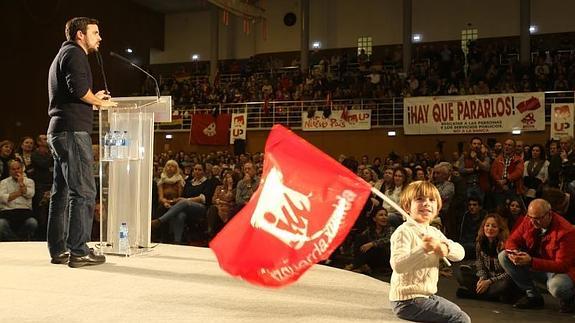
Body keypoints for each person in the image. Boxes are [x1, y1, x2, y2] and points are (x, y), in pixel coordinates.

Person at [46, 17, 117, 268]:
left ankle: (59, 250)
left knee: (62, 193)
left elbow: (74, 92)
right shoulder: (76, 54)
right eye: (95, 32)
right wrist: (101, 102)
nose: (100, 37)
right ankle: (79, 251)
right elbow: (77, 89)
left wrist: (93, 97)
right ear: (80, 35)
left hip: (59, 131)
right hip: (73, 132)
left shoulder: (63, 54)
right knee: (84, 191)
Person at [389, 180, 470, 323]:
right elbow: (398, 265)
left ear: (437, 208)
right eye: (420, 199)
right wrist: (423, 249)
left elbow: (460, 254)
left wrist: (445, 249)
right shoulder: (403, 232)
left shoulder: (433, 232)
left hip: (426, 295)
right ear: (407, 206)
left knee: (457, 311)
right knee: (460, 318)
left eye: (431, 200)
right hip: (407, 300)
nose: (426, 203)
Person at [498, 199, 575, 313]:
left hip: (559, 271)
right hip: (536, 264)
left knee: (557, 287)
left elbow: (563, 265)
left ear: (549, 214)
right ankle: (533, 296)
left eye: (538, 218)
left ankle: (570, 298)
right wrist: (514, 253)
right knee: (504, 256)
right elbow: (511, 240)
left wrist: (531, 261)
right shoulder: (529, 220)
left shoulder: (566, 231)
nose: (533, 222)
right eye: (531, 217)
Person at [455, 214, 515, 302]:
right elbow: (480, 264)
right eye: (487, 225)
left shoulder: (505, 245)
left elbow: (509, 273)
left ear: (500, 229)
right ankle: (493, 296)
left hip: (500, 279)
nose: (490, 229)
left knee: (507, 283)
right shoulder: (480, 242)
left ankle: (475, 295)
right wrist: (482, 278)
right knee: (461, 273)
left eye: (494, 226)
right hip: (488, 277)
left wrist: (489, 281)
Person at [0, 160, 37, 241]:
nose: (16, 171)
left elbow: (30, 194)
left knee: (32, 223)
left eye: (18, 168)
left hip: (24, 212)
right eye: (13, 169)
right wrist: (21, 192)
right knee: (1, 224)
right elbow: (3, 198)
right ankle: (17, 241)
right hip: (8, 213)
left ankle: (17, 240)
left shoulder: (29, 181)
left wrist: (21, 184)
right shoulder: (3, 182)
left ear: (22, 169)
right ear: (9, 171)